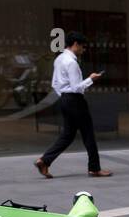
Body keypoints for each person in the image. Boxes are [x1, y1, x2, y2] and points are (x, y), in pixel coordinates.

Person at [35, 31, 110, 178]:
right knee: (88, 134)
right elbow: (76, 87)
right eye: (82, 46)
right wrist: (91, 79)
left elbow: (55, 84)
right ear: (75, 44)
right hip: (75, 100)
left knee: (68, 135)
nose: (84, 49)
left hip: (65, 99)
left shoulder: (59, 59)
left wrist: (64, 96)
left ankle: (44, 161)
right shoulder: (72, 62)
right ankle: (94, 168)